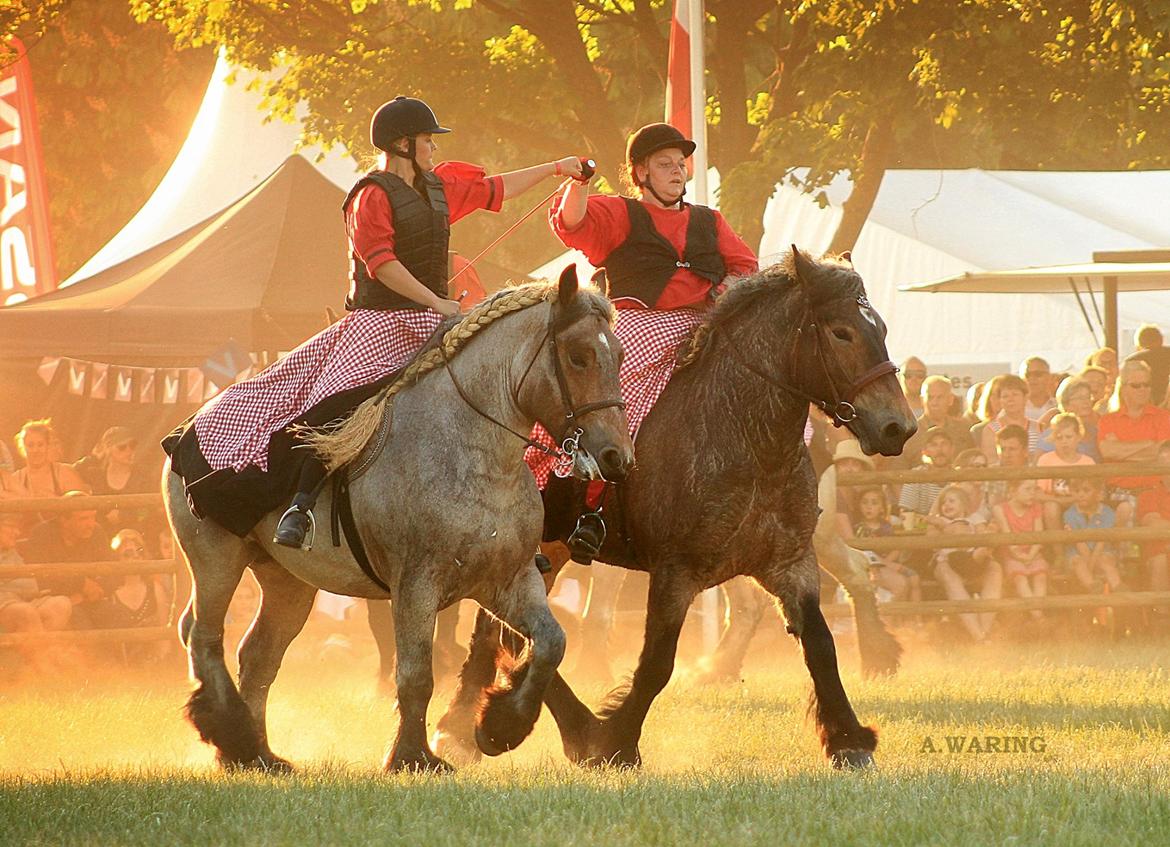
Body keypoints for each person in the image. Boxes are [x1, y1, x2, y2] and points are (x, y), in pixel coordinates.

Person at [164, 96, 586, 549]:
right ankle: (300, 505)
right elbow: (382, 263)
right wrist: (436, 301)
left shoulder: (438, 186)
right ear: (402, 144)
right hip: (379, 324)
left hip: (432, 320)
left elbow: (497, 188)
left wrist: (557, 168)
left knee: (490, 389)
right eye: (427, 140)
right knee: (337, 406)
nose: (433, 148)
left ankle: (509, 523)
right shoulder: (370, 196)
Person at [545, 122, 758, 561]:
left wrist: (721, 293)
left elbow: (746, 267)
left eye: (680, 164)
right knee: (620, 411)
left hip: (705, 324)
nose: (677, 171)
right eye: (665, 165)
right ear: (640, 173)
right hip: (641, 326)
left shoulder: (709, 220)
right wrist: (579, 181)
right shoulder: (621, 214)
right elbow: (571, 221)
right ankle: (589, 510)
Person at [18, 492, 115, 629]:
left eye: (93, 517)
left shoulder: (97, 533)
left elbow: (114, 571)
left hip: (89, 599)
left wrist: (94, 590)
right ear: (63, 520)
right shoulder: (42, 535)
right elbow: (41, 578)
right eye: (83, 519)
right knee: (79, 621)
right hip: (55, 602)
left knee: (114, 615)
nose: (91, 524)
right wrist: (80, 584)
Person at [1097, 359, 1170, 528]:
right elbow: (1107, 451)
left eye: (1146, 384)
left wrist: (1122, 450)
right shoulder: (1108, 420)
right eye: (1136, 386)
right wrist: (1149, 444)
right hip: (1118, 495)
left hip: (1155, 493)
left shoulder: (1163, 416)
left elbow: (1161, 454)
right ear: (1123, 388)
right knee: (1122, 547)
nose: (1143, 390)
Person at [0, 512, 73, 671]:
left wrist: (6, 583)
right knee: (26, 612)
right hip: (6, 604)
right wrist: (12, 584)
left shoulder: (10, 552)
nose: (17, 533)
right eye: (11, 527)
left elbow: (31, 585)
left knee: (60, 604)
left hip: (20, 599)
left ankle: (31, 664)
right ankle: (45, 670)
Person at [927, 485, 1001, 642]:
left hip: (973, 562)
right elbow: (932, 542)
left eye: (951, 501)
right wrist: (945, 526)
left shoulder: (975, 518)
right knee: (948, 573)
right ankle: (979, 636)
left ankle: (984, 632)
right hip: (948, 560)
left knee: (995, 568)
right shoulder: (938, 521)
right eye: (943, 502)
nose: (946, 505)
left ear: (964, 505)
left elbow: (983, 536)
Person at [993, 480, 1049, 619]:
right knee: (1020, 578)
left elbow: (1038, 534)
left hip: (1033, 552)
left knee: (1041, 577)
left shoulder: (1036, 507)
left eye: (1034, 489)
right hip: (1012, 554)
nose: (1032, 493)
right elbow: (1007, 535)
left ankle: (1037, 615)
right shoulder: (1000, 509)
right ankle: (1038, 618)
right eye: (1027, 489)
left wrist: (1031, 555)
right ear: (1013, 491)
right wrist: (1017, 554)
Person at [893, 375, 974, 469]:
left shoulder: (964, 428)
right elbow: (899, 472)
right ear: (922, 400)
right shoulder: (909, 433)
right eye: (930, 397)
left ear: (950, 400)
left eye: (939, 397)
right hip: (921, 482)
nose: (934, 403)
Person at [1036, 413, 1096, 530]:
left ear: (1078, 437)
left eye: (1069, 437)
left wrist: (1075, 499)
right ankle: (1057, 547)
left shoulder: (1087, 462)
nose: (1064, 441)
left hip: (1080, 503)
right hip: (1054, 503)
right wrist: (1059, 500)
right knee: (1051, 507)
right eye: (1059, 437)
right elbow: (1039, 493)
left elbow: (1093, 492)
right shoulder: (1046, 460)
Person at [1064, 478, 1123, 595]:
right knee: (1078, 563)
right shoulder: (1070, 514)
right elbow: (1078, 542)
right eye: (1077, 491)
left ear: (1097, 493)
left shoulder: (1107, 512)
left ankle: (1119, 588)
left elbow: (1101, 543)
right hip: (1078, 551)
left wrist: (1093, 563)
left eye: (1086, 491)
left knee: (1106, 561)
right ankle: (1093, 586)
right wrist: (1091, 567)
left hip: (1102, 550)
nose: (1081, 495)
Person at [7, 419, 88, 498]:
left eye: (40, 444)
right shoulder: (15, 480)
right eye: (30, 445)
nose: (35, 450)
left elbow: (87, 509)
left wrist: (55, 503)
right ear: (22, 448)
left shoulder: (65, 473)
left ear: (48, 445)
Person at [979, 375, 1040, 461]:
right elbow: (990, 462)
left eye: (1015, 394)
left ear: (1025, 397)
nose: (1010, 400)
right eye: (1005, 396)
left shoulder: (1038, 428)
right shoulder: (991, 430)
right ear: (1000, 400)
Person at [1136, 440, 1170, 595]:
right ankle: (1162, 616)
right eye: (1164, 462)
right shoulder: (1149, 493)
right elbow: (1153, 524)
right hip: (1159, 552)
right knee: (1161, 561)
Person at [1036, 376, 1100, 458]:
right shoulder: (1053, 433)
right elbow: (1038, 464)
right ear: (1066, 403)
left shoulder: (1094, 431)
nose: (1086, 402)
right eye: (1080, 398)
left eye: (1088, 397)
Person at [1019, 356, 1056, 421]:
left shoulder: (1060, 407)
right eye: (1027, 375)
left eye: (1037, 374)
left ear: (1049, 377)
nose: (1032, 378)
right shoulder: (1012, 408)